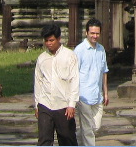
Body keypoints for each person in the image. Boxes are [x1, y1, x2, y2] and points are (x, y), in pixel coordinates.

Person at [34, 22, 79, 146]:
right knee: (44, 140)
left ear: (59, 39)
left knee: (67, 138)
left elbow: (74, 80)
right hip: (45, 103)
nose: (49, 43)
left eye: (51, 40)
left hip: (63, 105)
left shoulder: (69, 56)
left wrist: (71, 104)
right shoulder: (42, 58)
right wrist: (37, 104)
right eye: (46, 41)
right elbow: (38, 81)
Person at [74, 19, 109, 147]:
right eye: (92, 33)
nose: (95, 36)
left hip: (97, 95)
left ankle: (74, 140)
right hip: (83, 95)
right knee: (88, 130)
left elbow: (104, 71)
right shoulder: (79, 50)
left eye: (97, 33)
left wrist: (105, 93)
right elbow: (73, 74)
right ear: (86, 33)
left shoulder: (101, 50)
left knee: (95, 126)